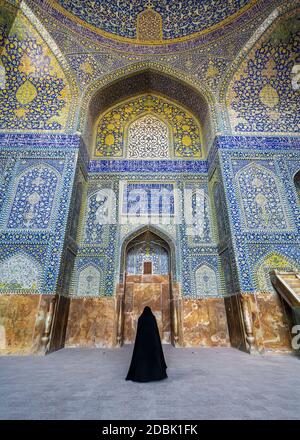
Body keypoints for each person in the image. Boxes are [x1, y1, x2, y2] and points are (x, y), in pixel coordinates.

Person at [126, 306, 168, 382]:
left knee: (143, 360)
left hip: (142, 344)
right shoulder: (152, 318)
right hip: (153, 344)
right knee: (154, 359)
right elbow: (156, 332)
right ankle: (155, 375)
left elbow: (139, 333)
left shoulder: (141, 319)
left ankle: (142, 375)